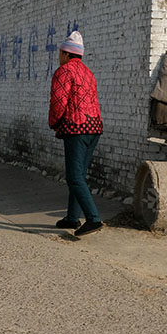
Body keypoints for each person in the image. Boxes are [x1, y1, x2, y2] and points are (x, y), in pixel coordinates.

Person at [48, 30, 104, 237]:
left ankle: (93, 219)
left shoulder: (63, 72)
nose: (59, 57)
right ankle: (72, 217)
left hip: (76, 128)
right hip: (94, 127)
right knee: (79, 175)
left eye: (60, 53)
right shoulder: (88, 72)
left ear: (65, 54)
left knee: (74, 176)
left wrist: (53, 122)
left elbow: (58, 102)